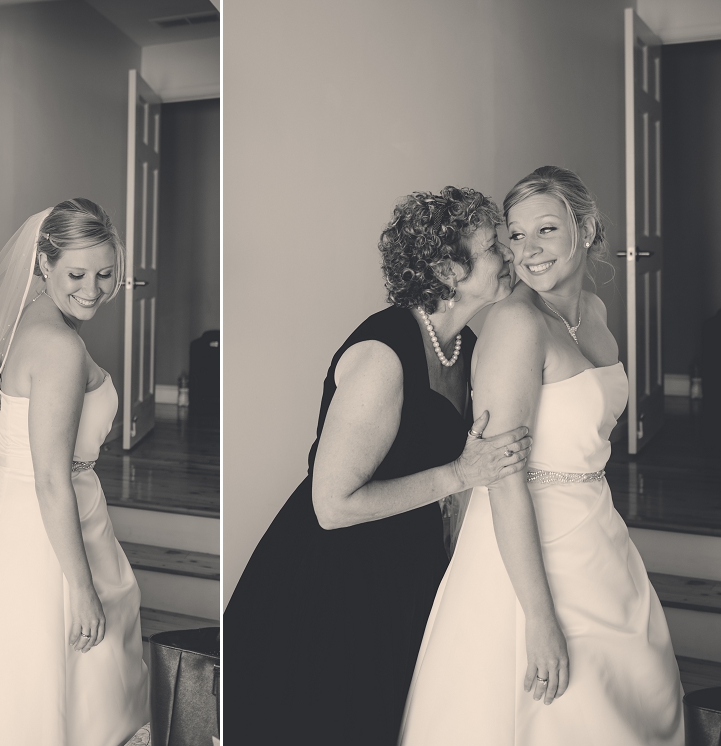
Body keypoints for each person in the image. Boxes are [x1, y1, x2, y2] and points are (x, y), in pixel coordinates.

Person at [224, 187, 534, 744]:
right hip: (334, 580)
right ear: (448, 269)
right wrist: (460, 475)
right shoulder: (383, 357)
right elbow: (331, 507)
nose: (509, 254)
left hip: (405, 562)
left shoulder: (464, 345)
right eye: (494, 247)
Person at [398, 166, 685, 745]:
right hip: (526, 544)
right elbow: (504, 479)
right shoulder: (515, 323)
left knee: (634, 693)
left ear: (586, 229)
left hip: (595, 528)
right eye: (516, 235)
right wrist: (539, 617)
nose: (527, 250)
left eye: (546, 229)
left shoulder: (594, 312)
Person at [0, 200, 149, 746]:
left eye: (105, 274)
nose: (93, 290)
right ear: (44, 264)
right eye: (77, 274)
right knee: (64, 682)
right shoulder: (60, 346)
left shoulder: (25, 323)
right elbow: (50, 479)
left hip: (9, 513)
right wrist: (83, 589)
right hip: (49, 525)